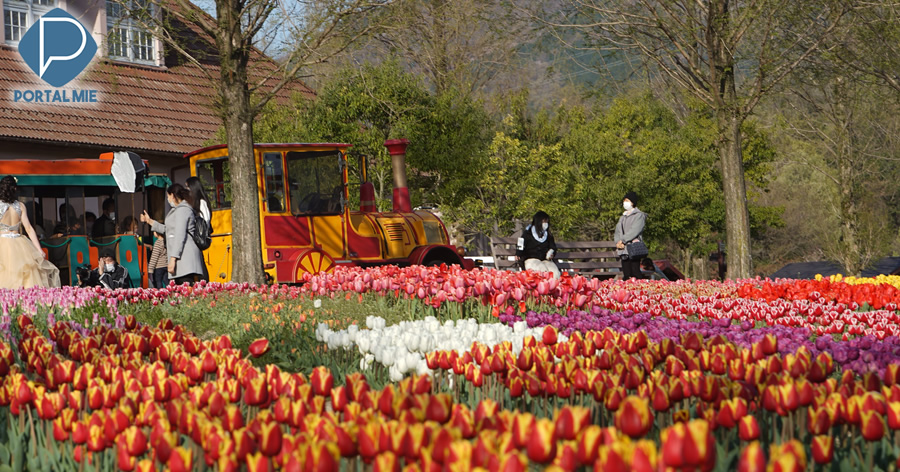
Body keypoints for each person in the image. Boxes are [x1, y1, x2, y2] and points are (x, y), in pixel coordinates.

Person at [0, 176, 61, 289]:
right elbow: (29, 229)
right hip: (20, 244)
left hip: (2, 243)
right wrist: (39, 250)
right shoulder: (20, 206)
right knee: (25, 277)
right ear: (14, 189)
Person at [141, 184, 204, 285]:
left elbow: (179, 235)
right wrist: (150, 221)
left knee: (185, 288)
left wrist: (173, 259)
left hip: (184, 258)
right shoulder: (178, 210)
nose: (168, 199)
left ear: (173, 195)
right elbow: (169, 230)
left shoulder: (182, 210)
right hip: (181, 257)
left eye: (168, 196)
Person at [516, 210, 560, 279]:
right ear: (538, 222)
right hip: (531, 260)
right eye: (544, 221)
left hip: (545, 260)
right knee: (541, 270)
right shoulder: (527, 233)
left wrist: (551, 253)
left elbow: (553, 247)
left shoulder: (548, 235)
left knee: (555, 273)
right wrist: (518, 253)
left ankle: (553, 285)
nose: (545, 224)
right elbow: (520, 244)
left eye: (547, 222)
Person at [615, 191, 647, 280]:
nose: (625, 203)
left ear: (632, 202)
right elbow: (617, 231)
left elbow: (635, 230)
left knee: (635, 272)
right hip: (623, 249)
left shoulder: (639, 215)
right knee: (626, 273)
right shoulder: (623, 217)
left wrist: (623, 240)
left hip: (633, 247)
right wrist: (618, 242)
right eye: (624, 201)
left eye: (627, 200)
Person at [185, 177, 211, 281]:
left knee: (200, 264)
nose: (186, 190)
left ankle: (204, 283)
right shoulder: (192, 203)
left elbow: (206, 220)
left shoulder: (201, 203)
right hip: (193, 239)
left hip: (198, 238)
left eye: (188, 187)